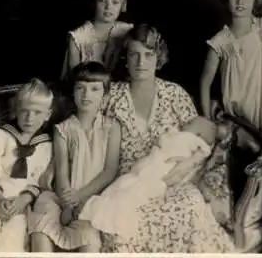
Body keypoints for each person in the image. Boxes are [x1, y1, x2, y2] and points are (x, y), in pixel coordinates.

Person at [98, 23, 235, 253]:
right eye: (134, 55)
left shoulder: (174, 93)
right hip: (126, 182)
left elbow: (203, 139)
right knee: (118, 221)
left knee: (189, 206)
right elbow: (88, 137)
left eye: (149, 55)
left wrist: (189, 164)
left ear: (158, 58)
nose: (141, 62)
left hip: (172, 181)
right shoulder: (111, 96)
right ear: (125, 59)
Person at [79, 116, 232, 240]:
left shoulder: (193, 140)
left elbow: (205, 150)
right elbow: (162, 141)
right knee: (124, 184)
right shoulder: (178, 133)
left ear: (199, 134)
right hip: (151, 163)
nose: (185, 122)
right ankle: (103, 208)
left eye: (191, 123)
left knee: (136, 189)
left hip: (161, 170)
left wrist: (191, 159)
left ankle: (119, 218)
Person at [29, 62, 121, 252]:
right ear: (73, 92)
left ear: (105, 95)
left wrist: (81, 196)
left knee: (89, 238)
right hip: (63, 196)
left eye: (94, 89)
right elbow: (62, 172)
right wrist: (68, 203)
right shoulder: (63, 129)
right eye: (80, 88)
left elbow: (110, 170)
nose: (86, 95)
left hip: (94, 198)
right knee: (42, 221)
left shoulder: (112, 127)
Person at [0, 78, 54, 252]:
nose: (29, 118)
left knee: (14, 240)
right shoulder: (1, 135)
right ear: (16, 110)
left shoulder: (46, 145)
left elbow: (39, 179)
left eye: (37, 112)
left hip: (20, 203)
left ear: (48, 115)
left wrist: (23, 200)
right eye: (24, 111)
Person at [200, 0, 262, 140]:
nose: (240, 2)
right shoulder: (220, 42)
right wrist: (208, 119)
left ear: (256, 0)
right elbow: (205, 83)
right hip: (237, 119)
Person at [61, 0, 134, 79]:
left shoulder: (128, 31)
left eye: (115, 2)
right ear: (94, 2)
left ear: (123, 5)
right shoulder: (78, 37)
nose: (108, 7)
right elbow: (74, 79)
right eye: (102, 1)